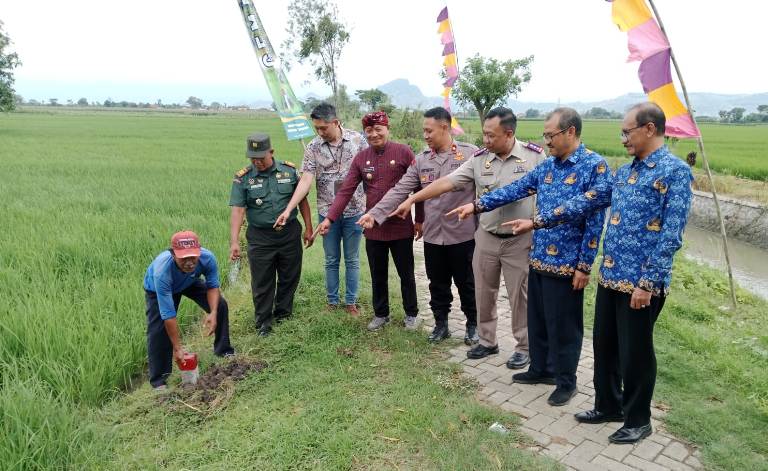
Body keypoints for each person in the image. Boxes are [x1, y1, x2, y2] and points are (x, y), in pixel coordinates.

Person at [505, 103, 693, 443]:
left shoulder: (673, 172)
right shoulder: (625, 173)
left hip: (640, 284)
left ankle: (638, 419)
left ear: (649, 129)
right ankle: (608, 405)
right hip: (610, 276)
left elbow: (671, 235)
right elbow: (585, 202)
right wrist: (537, 221)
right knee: (605, 346)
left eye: (627, 131)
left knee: (635, 354)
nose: (623, 139)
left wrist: (648, 283)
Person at [448, 108, 610, 406]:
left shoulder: (594, 166)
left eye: (551, 135)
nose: (546, 140)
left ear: (570, 132)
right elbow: (517, 189)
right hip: (537, 257)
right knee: (538, 320)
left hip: (567, 263)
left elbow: (592, 218)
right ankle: (540, 369)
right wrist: (478, 205)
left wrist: (584, 266)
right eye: (545, 135)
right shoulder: (548, 167)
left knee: (564, 326)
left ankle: (566, 381)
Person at [389, 107, 545, 367]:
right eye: (484, 134)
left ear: (509, 134)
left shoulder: (534, 157)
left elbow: (547, 198)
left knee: (519, 295)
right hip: (486, 235)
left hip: (518, 238)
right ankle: (487, 341)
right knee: (484, 292)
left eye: (491, 136)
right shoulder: (479, 159)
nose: (485, 140)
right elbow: (447, 182)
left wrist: (537, 227)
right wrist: (414, 198)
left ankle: (524, 346)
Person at [358, 107, 479, 344]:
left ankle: (473, 325)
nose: (425, 135)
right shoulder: (422, 160)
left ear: (444, 127)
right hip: (434, 234)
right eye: (423, 130)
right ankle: (441, 324)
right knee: (437, 284)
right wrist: (375, 214)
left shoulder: (470, 155)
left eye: (428, 130)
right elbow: (400, 190)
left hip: (463, 234)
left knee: (467, 283)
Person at [317, 111, 422, 331]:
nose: (374, 134)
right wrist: (330, 218)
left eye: (378, 129)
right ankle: (381, 314)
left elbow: (418, 189)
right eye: (369, 130)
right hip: (372, 227)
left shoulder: (403, 152)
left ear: (387, 128)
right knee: (378, 273)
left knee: (406, 273)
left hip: (401, 226)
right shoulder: (361, 158)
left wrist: (419, 219)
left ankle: (411, 314)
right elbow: (345, 191)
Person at [275, 103, 368, 315]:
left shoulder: (357, 140)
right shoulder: (313, 147)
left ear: (335, 122)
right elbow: (306, 179)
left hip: (355, 211)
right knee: (331, 259)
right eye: (316, 128)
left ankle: (351, 302)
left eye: (323, 128)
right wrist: (289, 209)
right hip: (327, 214)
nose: (320, 132)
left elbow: (368, 173)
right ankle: (332, 301)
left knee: (352, 259)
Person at [229, 133, 314, 337]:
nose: (257, 162)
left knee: (289, 276)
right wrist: (234, 242)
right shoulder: (243, 178)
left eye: (261, 157)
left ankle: (283, 314)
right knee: (262, 281)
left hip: (289, 234)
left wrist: (309, 228)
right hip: (260, 238)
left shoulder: (290, 171)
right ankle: (263, 322)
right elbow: (238, 210)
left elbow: (302, 200)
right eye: (253, 158)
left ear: (271, 152)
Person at [143, 231, 235, 390]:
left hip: (188, 282)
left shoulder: (207, 258)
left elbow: (213, 286)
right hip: (159, 289)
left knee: (220, 305)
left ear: (199, 251)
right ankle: (159, 381)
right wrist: (178, 348)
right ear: (173, 254)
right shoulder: (162, 271)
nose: (189, 262)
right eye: (183, 258)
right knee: (159, 331)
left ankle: (224, 351)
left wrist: (212, 313)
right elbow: (168, 316)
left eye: (193, 257)